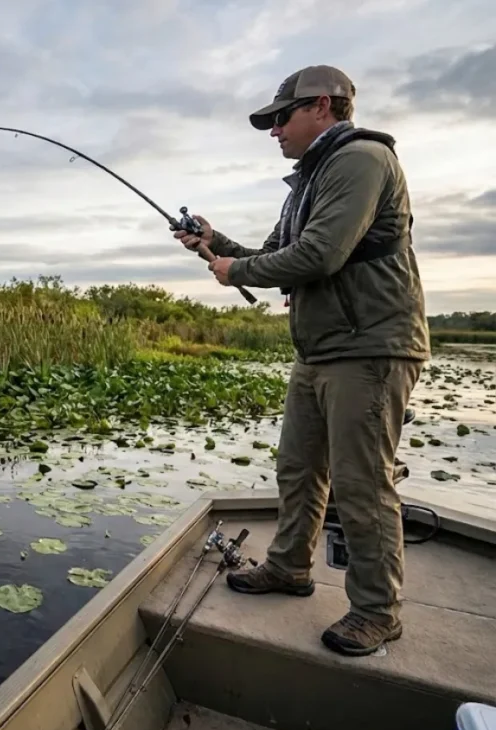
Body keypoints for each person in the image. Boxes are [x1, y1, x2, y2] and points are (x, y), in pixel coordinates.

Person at [173, 65, 430, 657]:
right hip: (321, 349)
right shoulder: (312, 178)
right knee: (298, 467)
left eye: (279, 117)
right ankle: (289, 568)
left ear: (323, 106)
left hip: (369, 348)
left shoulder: (361, 159)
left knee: (362, 486)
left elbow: (320, 254)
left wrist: (235, 272)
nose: (273, 130)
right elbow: (279, 253)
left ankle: (376, 611)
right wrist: (216, 243)